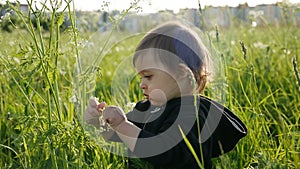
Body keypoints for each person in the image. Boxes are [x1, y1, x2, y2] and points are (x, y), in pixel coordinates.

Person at [84, 21, 247, 169]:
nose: (142, 84)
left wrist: (122, 124)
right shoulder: (148, 108)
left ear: (182, 75)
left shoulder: (192, 114)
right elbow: (121, 136)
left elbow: (168, 153)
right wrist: (100, 123)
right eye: (140, 77)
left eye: (148, 76)